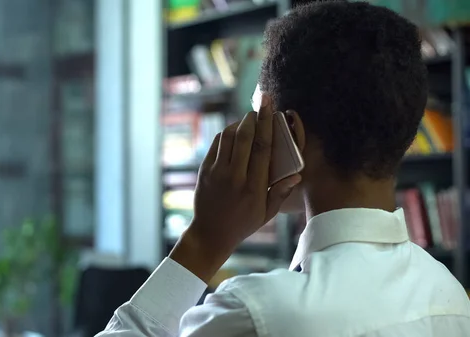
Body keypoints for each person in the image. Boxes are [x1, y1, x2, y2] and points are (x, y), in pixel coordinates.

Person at [96, 1, 470, 336]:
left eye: (259, 109)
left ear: (290, 132)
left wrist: (203, 242)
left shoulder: (256, 313)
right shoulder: (451, 295)